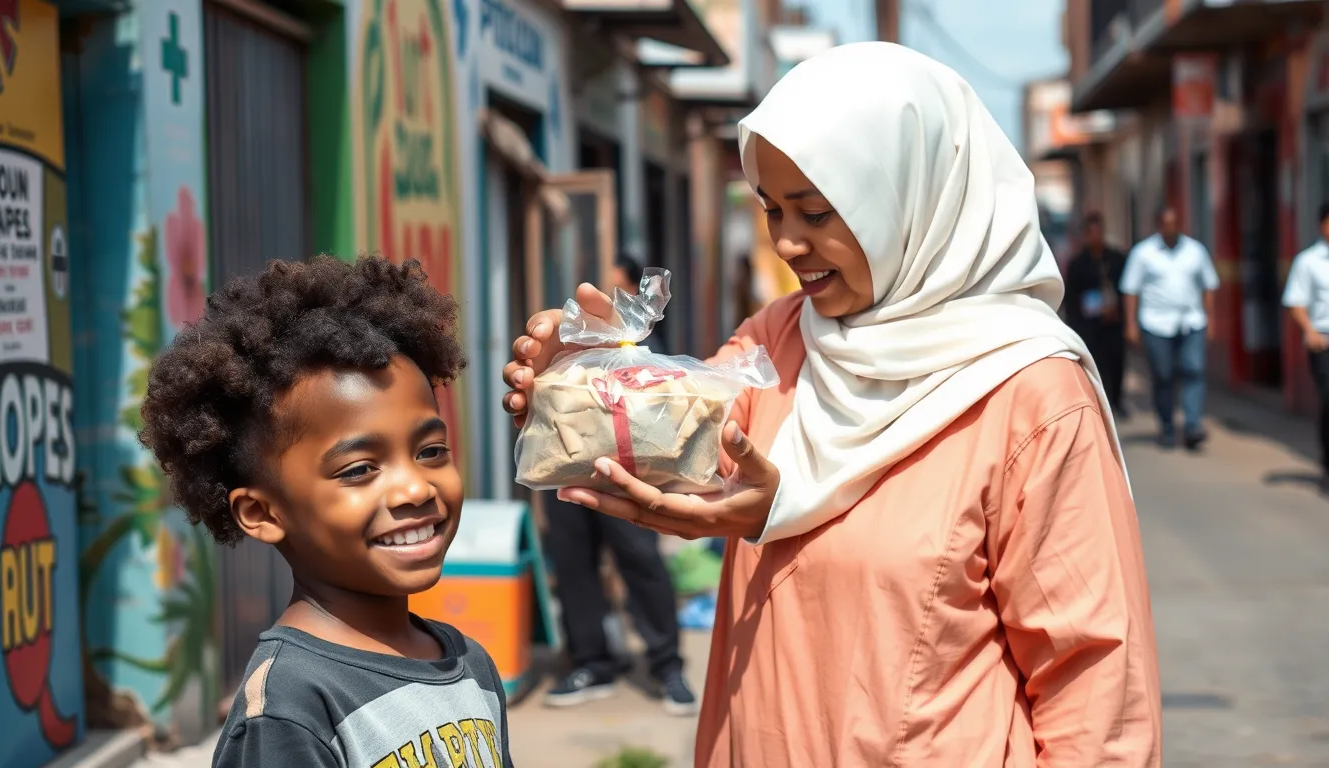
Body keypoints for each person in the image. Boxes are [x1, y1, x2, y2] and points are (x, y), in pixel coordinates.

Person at [503, 43, 1160, 766]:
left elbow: (1096, 689)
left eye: (816, 212)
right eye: (772, 209)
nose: (787, 242)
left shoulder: (1033, 396)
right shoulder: (781, 336)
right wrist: (584, 389)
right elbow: (685, 441)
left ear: (913, 199)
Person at [139, 257, 513, 767]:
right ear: (261, 513)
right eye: (359, 469)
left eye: (430, 451)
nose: (414, 488)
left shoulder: (471, 665)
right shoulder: (289, 709)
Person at [538, 251, 697, 715]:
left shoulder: (640, 343)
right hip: (568, 468)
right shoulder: (573, 341)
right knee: (573, 565)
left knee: (641, 561)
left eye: (614, 285)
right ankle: (591, 663)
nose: (603, 294)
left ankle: (668, 665)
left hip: (626, 473)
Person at [1121, 206, 1220, 450]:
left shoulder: (1196, 251)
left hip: (1191, 321)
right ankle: (1166, 427)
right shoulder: (1143, 253)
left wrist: (1211, 319)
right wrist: (1131, 323)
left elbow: (1208, 286)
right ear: (1158, 226)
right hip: (1156, 324)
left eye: (1175, 223)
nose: (1171, 228)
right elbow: (1131, 290)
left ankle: (1192, 426)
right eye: (1166, 223)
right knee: (1163, 375)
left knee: (1193, 370)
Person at [1063, 211, 1129, 417]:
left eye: (1098, 232)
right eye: (1090, 232)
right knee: (1097, 363)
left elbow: (1126, 290)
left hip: (1114, 322)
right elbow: (1072, 298)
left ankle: (1117, 400)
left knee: (1117, 360)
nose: (1095, 236)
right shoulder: (1077, 264)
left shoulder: (1117, 259)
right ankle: (1102, 402)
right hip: (1090, 325)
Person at [1283, 203, 1329, 491]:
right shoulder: (1308, 261)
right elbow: (1295, 302)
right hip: (1323, 340)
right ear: (1321, 226)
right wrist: (1310, 331)